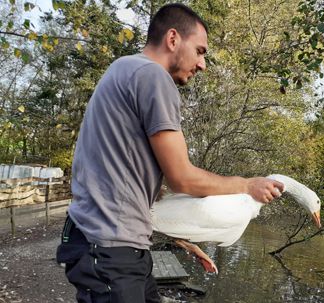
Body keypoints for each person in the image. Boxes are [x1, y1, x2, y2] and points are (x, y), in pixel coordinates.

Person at [56, 3, 284, 303]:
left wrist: (189, 242)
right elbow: (182, 178)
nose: (202, 64)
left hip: (110, 242)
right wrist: (247, 184)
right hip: (109, 246)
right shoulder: (153, 76)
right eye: (200, 51)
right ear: (173, 39)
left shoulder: (123, 68)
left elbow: (133, 179)